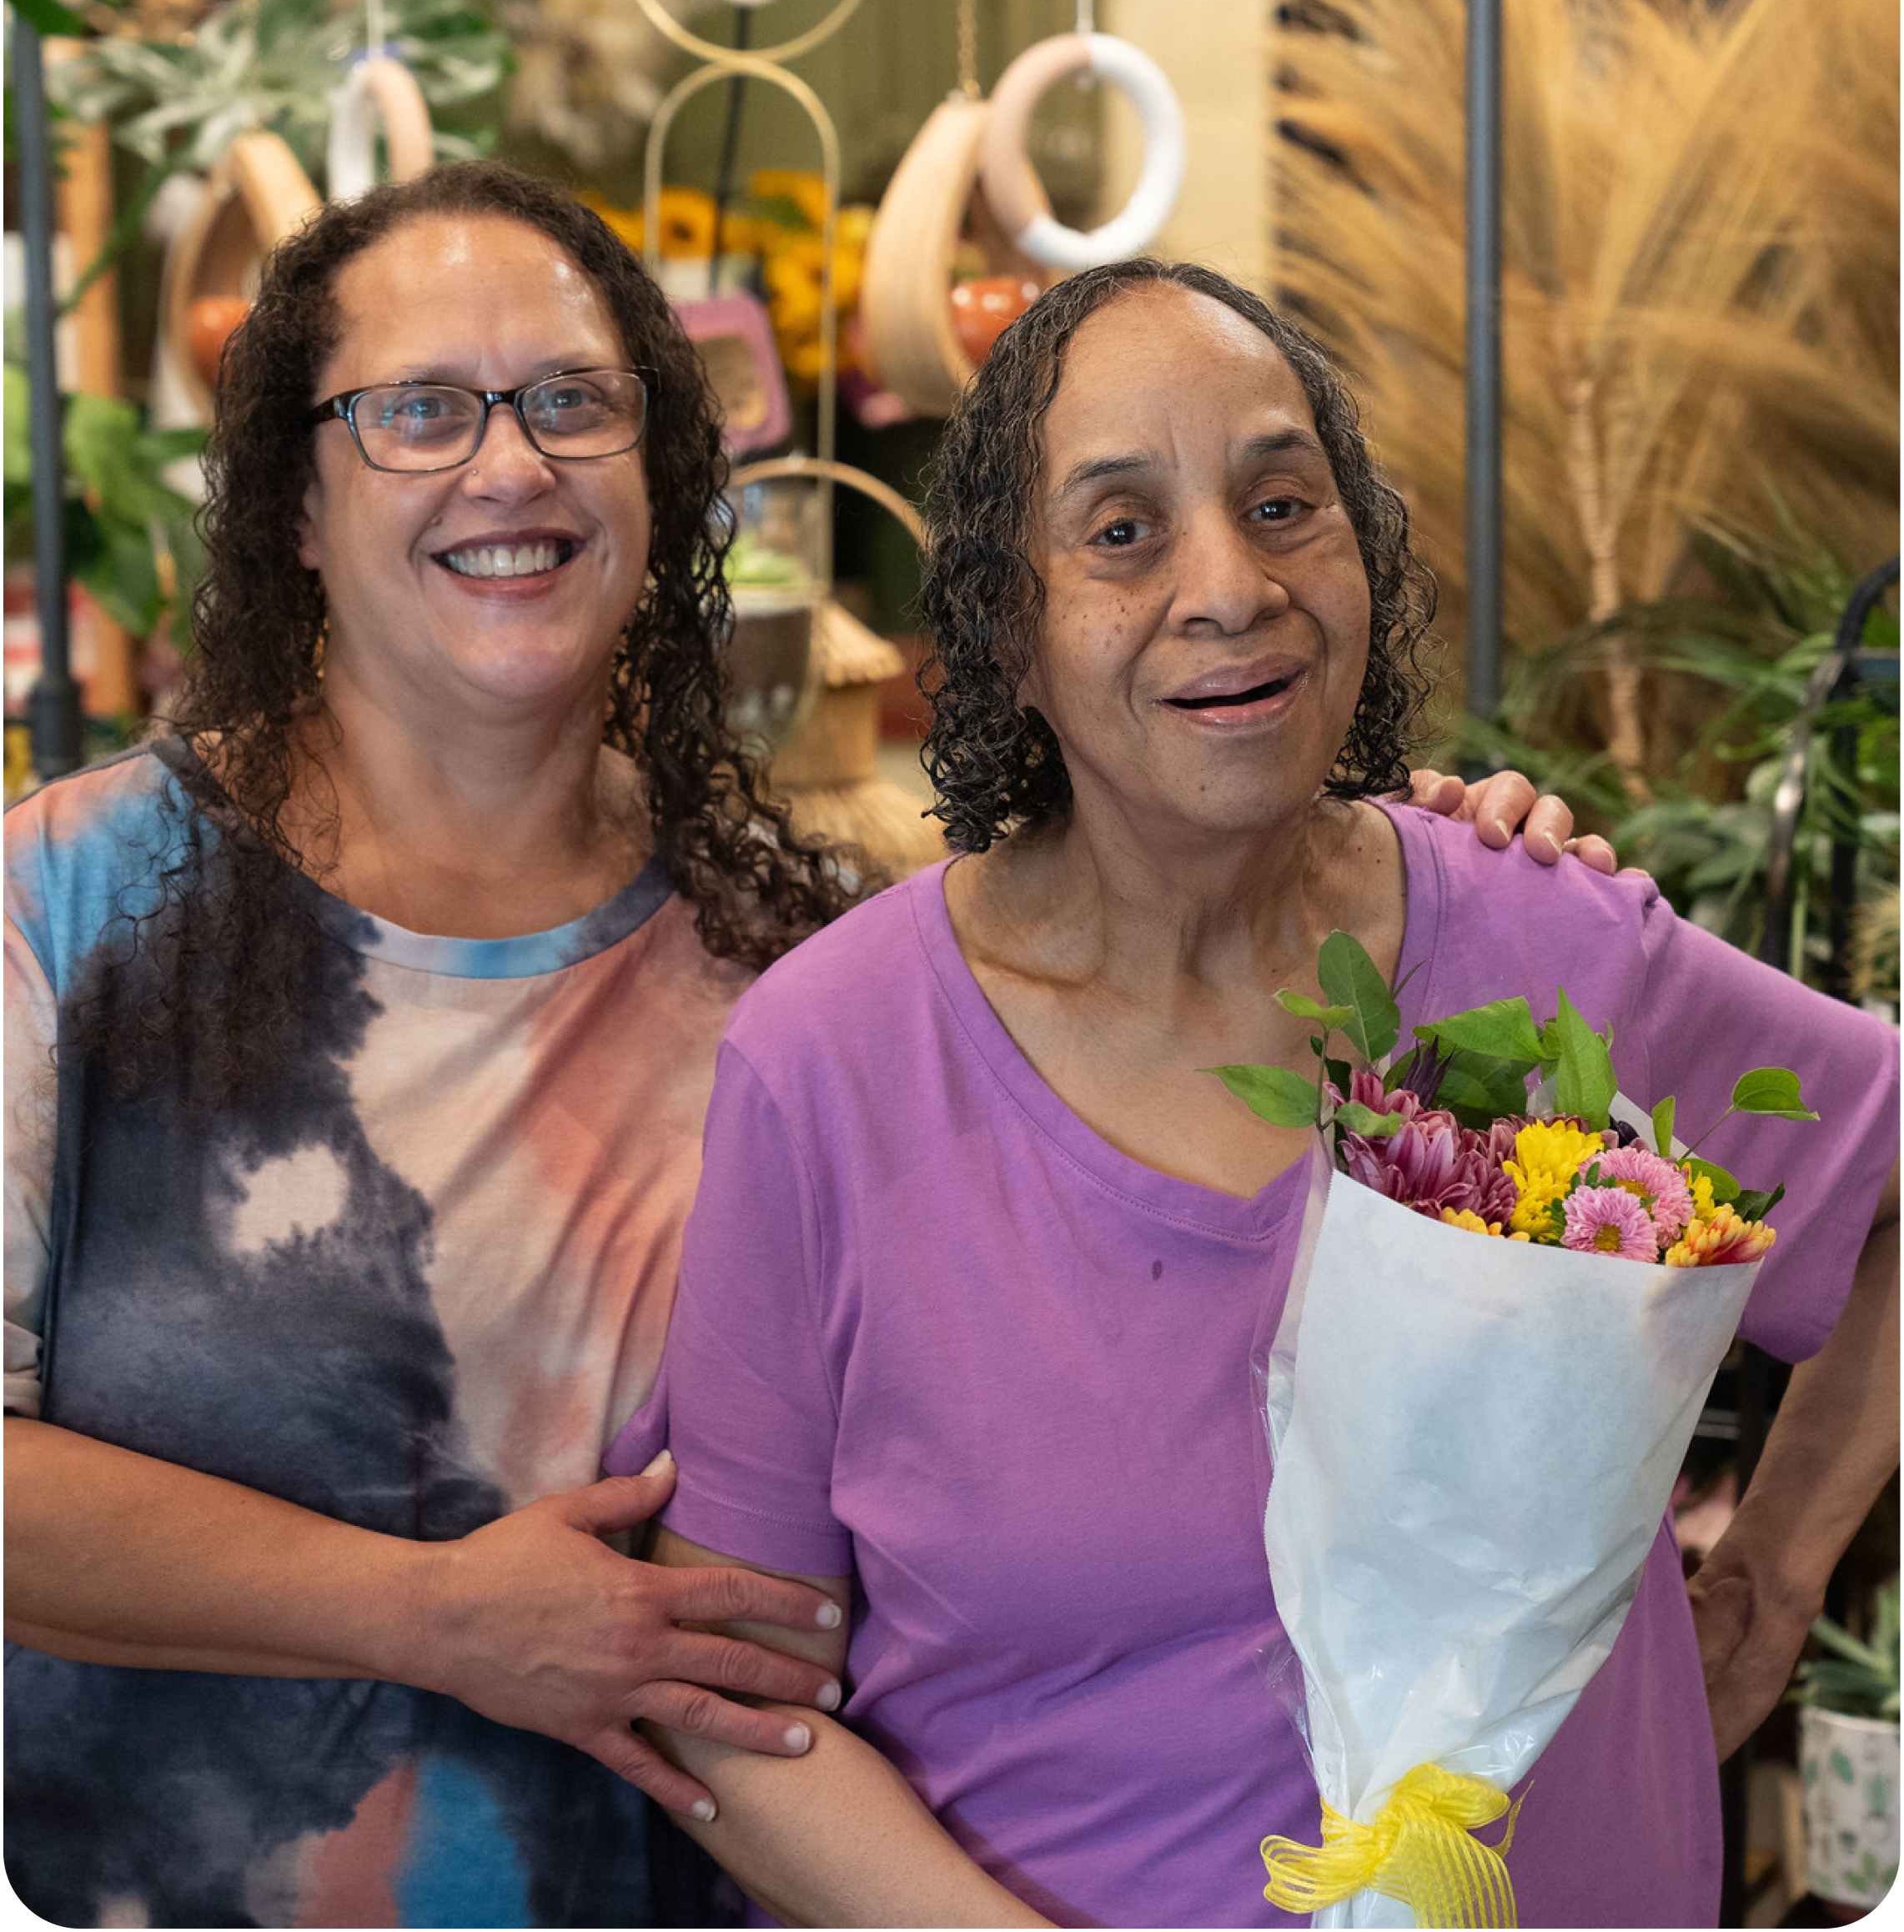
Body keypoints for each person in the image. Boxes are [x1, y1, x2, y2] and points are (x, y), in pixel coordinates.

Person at [1, 171, 1588, 1929]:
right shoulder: (66, 907)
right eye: (421, 412)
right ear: (296, 498)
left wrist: (1422, 849)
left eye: (572, 401)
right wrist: (424, 1610)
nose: (510, 464)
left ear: (664, 474)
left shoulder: (814, 959)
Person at [612, 259, 1901, 1929]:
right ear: (1001, 631)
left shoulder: (1537, 935)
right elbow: (736, 1698)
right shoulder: (833, 1064)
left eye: (1284, 502)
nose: (1232, 584)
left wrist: (1775, 1584)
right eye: (1122, 530)